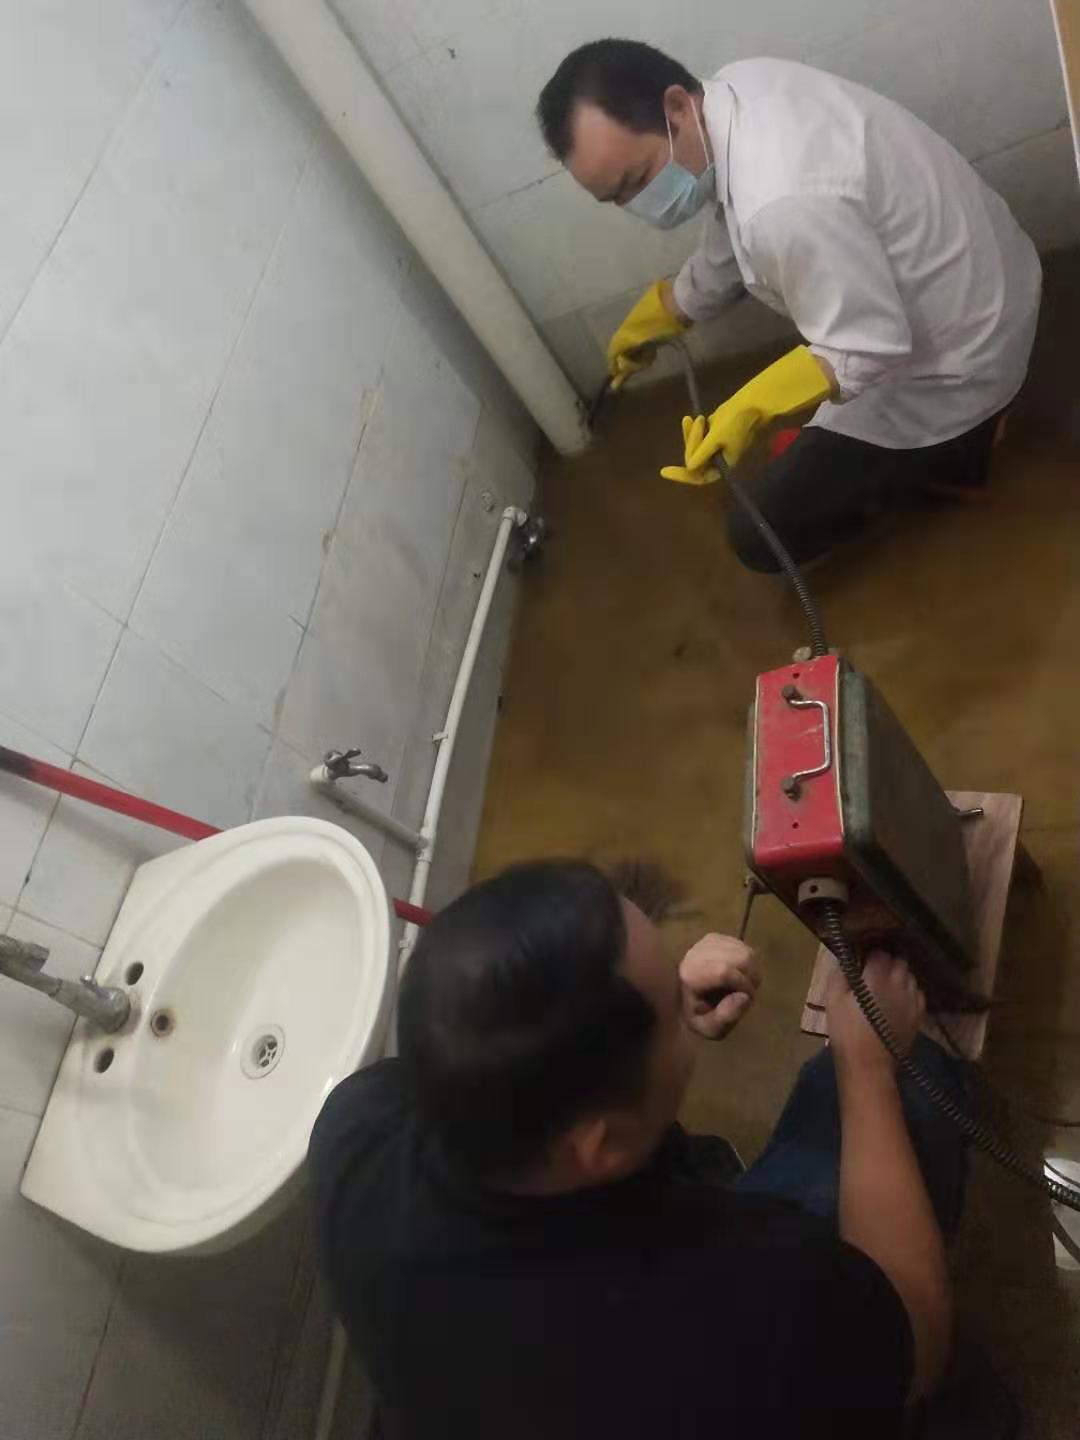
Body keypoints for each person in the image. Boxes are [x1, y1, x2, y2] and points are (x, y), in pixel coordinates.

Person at [309, 860, 968, 1438]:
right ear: (602, 1144)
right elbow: (918, 1340)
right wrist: (866, 1066)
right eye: (672, 1004)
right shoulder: (741, 1308)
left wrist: (653, 1014)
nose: (686, 989)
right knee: (917, 1089)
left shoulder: (354, 1131)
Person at [536, 44, 1043, 571]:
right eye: (616, 199)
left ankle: (961, 454)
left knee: (759, 533)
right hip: (989, 273)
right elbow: (736, 220)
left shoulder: (781, 200)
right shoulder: (735, 91)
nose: (637, 206)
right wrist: (671, 309)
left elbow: (869, 349)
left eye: (637, 181)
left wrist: (753, 407)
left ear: (676, 107)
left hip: (961, 361)